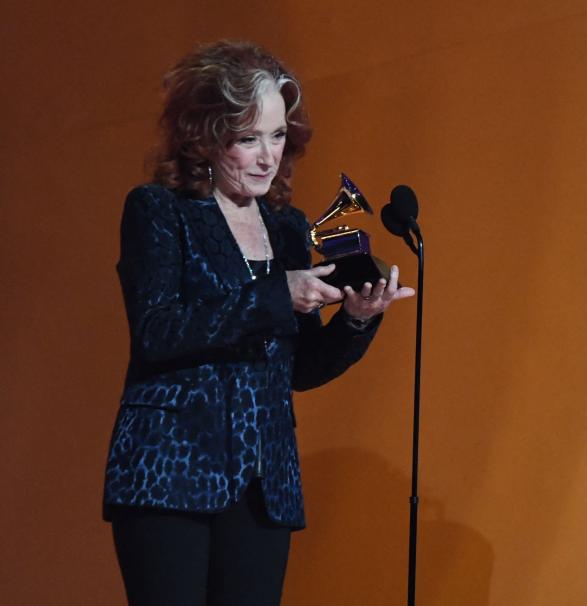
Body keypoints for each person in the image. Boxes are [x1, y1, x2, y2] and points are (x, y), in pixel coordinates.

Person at [102, 40, 415, 606]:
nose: (269, 155)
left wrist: (354, 321)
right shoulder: (158, 210)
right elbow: (158, 329)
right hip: (170, 472)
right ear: (203, 137)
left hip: (263, 483)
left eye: (276, 135)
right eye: (248, 138)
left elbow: (298, 370)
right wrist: (277, 295)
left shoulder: (289, 228)